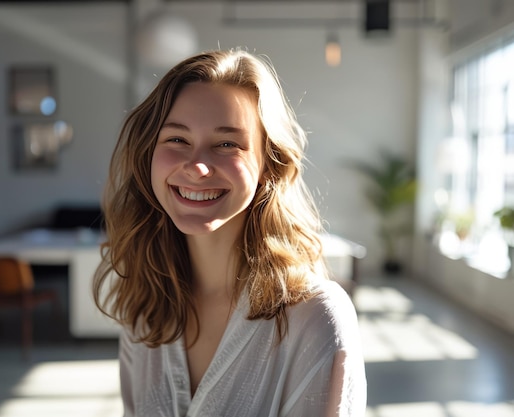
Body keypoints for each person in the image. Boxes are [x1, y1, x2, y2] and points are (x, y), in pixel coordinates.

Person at [93, 49, 366, 416]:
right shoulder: (146, 310)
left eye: (226, 144)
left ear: (268, 165)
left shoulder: (315, 319)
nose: (197, 166)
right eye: (177, 139)